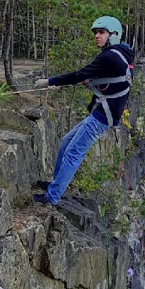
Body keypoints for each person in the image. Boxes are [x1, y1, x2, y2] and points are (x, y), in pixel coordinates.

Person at [33, 16, 135, 205]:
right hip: (105, 112)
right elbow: (114, 78)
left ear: (113, 35)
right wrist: (93, 82)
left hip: (103, 116)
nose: (97, 36)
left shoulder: (110, 56)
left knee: (73, 153)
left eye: (101, 32)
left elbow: (80, 73)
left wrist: (51, 81)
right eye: (96, 33)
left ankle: (52, 197)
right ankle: (55, 184)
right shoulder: (124, 52)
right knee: (66, 142)